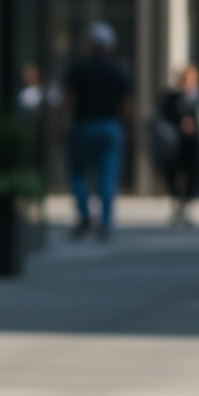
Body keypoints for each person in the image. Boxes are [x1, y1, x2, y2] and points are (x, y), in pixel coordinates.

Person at [63, 21, 132, 239]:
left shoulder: (79, 68)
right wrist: (130, 130)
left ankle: (84, 215)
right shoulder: (117, 70)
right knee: (107, 176)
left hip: (84, 126)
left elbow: (68, 100)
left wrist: (56, 124)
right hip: (110, 127)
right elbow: (127, 105)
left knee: (77, 172)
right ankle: (106, 220)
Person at [158, 64, 199, 226]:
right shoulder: (172, 97)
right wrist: (180, 125)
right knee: (173, 173)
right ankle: (176, 206)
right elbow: (163, 118)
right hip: (175, 143)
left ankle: (186, 208)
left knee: (192, 174)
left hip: (194, 143)